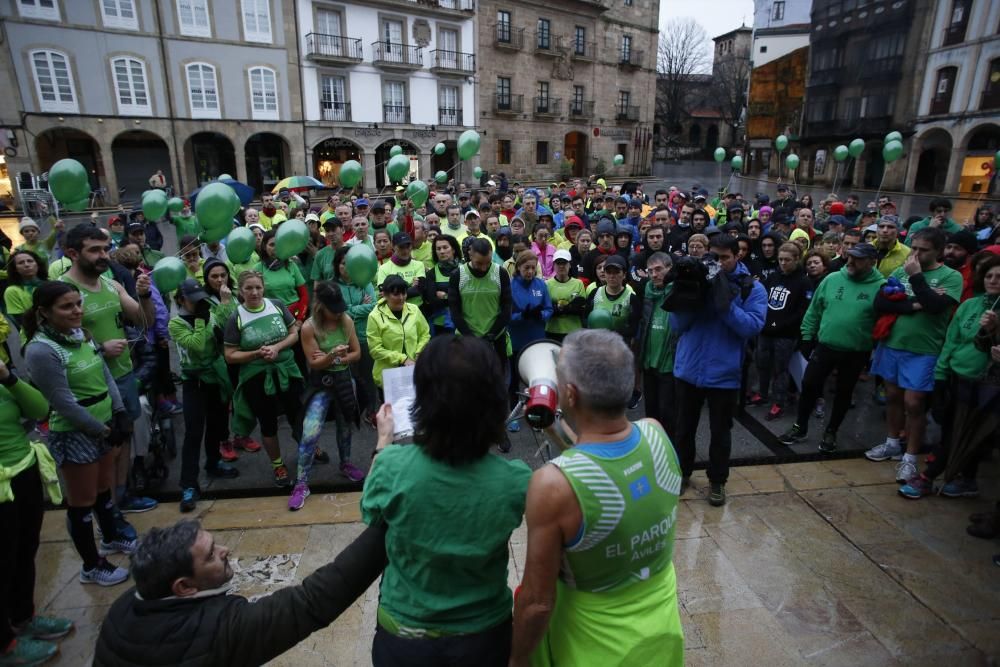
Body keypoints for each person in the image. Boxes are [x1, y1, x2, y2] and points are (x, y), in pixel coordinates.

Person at [510, 329, 684, 667]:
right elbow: (606, 463)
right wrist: (555, 430)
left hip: (592, 645)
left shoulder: (552, 485)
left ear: (570, 394)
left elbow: (538, 603)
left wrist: (516, 658)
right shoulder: (656, 433)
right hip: (660, 635)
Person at [361, 335, 531, 665]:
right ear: (495, 401)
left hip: (405, 637)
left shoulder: (391, 466)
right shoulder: (517, 481)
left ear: (422, 400)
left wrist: (383, 441)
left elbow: (371, 511)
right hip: (485, 638)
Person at [93, 518, 387, 666]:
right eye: (210, 556)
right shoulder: (219, 631)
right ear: (183, 587)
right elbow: (312, 601)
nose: (225, 550)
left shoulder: (122, 608)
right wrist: (391, 520)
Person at [23, 282, 134, 586]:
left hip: (105, 422)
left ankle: (111, 536)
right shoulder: (41, 350)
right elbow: (62, 402)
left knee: (102, 490)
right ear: (44, 313)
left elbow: (105, 373)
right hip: (75, 433)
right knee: (82, 501)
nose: (76, 311)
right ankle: (91, 564)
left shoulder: (81, 334)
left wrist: (120, 411)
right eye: (67, 307)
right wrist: (101, 430)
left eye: (78, 304)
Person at [60, 225, 158, 524]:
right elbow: (51, 346)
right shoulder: (61, 291)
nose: (103, 255)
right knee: (101, 451)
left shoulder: (112, 284)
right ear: (73, 253)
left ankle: (121, 496)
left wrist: (143, 295)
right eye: (94, 250)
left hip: (124, 376)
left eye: (105, 249)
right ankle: (106, 513)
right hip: (89, 386)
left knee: (122, 440)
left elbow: (144, 322)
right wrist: (100, 349)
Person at [670, 235, 766, 504]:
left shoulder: (751, 289)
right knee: (684, 429)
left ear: (737, 257)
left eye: (725, 257)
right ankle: (681, 473)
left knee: (720, 432)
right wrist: (691, 296)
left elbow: (751, 327)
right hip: (689, 370)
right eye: (714, 257)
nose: (719, 263)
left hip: (724, 375)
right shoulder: (697, 278)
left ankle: (717, 481)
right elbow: (676, 325)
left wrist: (724, 303)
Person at [866, 227, 964, 483]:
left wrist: (918, 280)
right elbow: (881, 302)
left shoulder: (950, 277)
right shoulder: (901, 271)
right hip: (893, 344)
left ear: (939, 252)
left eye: (923, 250)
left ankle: (910, 456)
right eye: (915, 248)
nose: (916, 254)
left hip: (924, 350)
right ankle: (891, 442)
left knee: (914, 403)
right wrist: (915, 304)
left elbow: (935, 307)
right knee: (894, 397)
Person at [899, 255, 1000, 498]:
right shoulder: (970, 305)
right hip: (958, 378)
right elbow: (951, 340)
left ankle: (929, 477)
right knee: (952, 428)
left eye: (999, 277)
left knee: (971, 432)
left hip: (987, 385)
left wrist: (995, 329)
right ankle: (965, 479)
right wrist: (941, 374)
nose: (993, 281)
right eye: (988, 276)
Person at [0, 358, 73, 666]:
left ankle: (23, 616)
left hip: (24, 472)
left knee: (24, 549)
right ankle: (5, 644)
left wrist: (8, 377)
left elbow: (39, 409)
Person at [779, 243, 886, 452]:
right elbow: (814, 310)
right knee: (809, 385)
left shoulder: (880, 286)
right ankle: (800, 426)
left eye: (858, 259)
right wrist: (807, 337)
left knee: (844, 393)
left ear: (872, 262)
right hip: (825, 346)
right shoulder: (832, 279)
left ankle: (831, 431)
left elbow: (884, 321)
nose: (851, 261)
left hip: (856, 351)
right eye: (850, 256)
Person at [223, 271, 302, 488]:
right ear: (241, 291)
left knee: (297, 413)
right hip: (256, 377)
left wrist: (277, 347)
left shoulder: (276, 305)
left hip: (286, 369)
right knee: (268, 422)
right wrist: (257, 354)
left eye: (257, 287)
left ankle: (308, 449)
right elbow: (230, 355)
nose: (254, 292)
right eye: (248, 288)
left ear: (263, 288)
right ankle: (278, 465)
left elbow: (294, 332)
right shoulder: (236, 317)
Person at [292, 282, 365, 511]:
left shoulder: (346, 320)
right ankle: (302, 483)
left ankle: (345, 463)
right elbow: (314, 362)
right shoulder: (309, 327)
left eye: (339, 307)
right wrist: (331, 355)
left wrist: (337, 358)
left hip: (343, 380)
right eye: (333, 308)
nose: (338, 312)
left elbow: (357, 353)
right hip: (321, 383)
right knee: (310, 431)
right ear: (321, 306)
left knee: (345, 427)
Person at [168, 279, 239, 513]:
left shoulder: (211, 313)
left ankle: (213, 463)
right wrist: (201, 320)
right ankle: (188, 484)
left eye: (201, 299)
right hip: (193, 381)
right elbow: (196, 346)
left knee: (217, 424)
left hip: (215, 377)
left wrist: (223, 307)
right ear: (180, 300)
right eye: (192, 300)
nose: (198, 303)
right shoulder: (176, 324)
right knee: (193, 431)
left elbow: (230, 326)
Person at [752, 242, 812, 420]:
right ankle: (762, 393)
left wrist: (782, 325)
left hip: (786, 334)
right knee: (762, 364)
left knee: (781, 369)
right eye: (780, 260)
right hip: (766, 330)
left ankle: (779, 401)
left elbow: (803, 310)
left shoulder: (803, 281)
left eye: (787, 260)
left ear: (796, 260)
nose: (783, 263)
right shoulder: (774, 276)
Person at [508, 251, 553, 432]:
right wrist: (522, 315)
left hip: (536, 338)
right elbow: (507, 315)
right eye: (526, 268)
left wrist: (540, 314)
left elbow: (549, 308)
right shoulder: (510, 287)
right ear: (518, 267)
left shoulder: (541, 285)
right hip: (517, 338)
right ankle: (512, 414)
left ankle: (536, 414)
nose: (530, 271)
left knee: (535, 379)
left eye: (533, 268)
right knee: (513, 380)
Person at [366, 274, 430, 393]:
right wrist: (402, 359)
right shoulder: (374, 317)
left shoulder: (414, 310)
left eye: (404, 293)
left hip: (414, 372)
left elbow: (424, 334)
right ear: (385, 295)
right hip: (389, 377)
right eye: (396, 294)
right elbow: (375, 350)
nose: (401, 298)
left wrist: (419, 352)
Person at [637, 252, 677, 438]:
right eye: (650, 270)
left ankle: (669, 456)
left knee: (669, 415)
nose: (654, 274)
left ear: (670, 269)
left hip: (669, 365)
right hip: (649, 363)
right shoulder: (647, 291)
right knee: (651, 415)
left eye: (659, 269)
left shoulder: (678, 293)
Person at [422, 234, 462, 335]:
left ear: (453, 249)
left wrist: (445, 295)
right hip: (440, 325)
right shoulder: (431, 273)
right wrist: (455, 297)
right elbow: (432, 301)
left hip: (463, 323)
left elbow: (467, 298)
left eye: (445, 247)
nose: (442, 251)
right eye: (438, 249)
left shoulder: (464, 269)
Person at [545, 249, 586, 341]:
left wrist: (557, 308)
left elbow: (581, 308)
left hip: (573, 330)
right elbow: (546, 307)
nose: (561, 266)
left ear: (570, 264)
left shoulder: (578, 283)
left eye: (564, 263)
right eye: (558, 263)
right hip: (552, 330)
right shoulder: (547, 284)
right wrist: (569, 307)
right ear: (554, 265)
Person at [375, 232, 425, 307]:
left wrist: (394, 291)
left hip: (418, 309)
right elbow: (385, 295)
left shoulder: (419, 265)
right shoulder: (383, 268)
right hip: (394, 310)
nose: (405, 250)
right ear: (393, 246)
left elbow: (419, 290)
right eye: (401, 247)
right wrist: (410, 286)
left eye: (408, 246)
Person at [4, 249, 47, 330]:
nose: (26, 265)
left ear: (37, 264)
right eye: (21, 263)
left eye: (30, 261)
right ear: (15, 269)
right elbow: (22, 321)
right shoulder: (12, 291)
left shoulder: (51, 283)